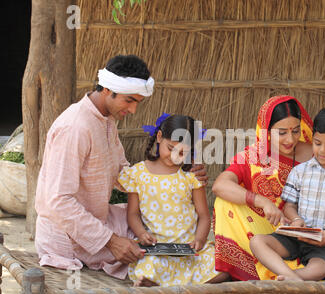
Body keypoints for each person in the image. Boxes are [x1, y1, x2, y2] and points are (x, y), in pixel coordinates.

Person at [34, 55, 208, 279]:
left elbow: (123, 174)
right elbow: (59, 201)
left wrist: (176, 173)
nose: (133, 110)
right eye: (129, 100)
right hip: (66, 236)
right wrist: (112, 242)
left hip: (99, 218)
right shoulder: (75, 127)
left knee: (157, 223)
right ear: (107, 89)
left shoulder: (106, 120)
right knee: (148, 247)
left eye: (137, 102)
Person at [212, 96, 325, 281]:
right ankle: (285, 275)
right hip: (277, 231)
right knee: (225, 202)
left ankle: (288, 276)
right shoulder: (253, 156)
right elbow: (220, 185)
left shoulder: (317, 153)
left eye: (296, 131)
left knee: (321, 261)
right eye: (282, 133)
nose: (290, 139)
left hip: (318, 233)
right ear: (267, 131)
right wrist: (262, 201)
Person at [250, 107, 325, 281]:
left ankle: (292, 278)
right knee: (257, 242)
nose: (322, 150)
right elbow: (289, 206)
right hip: (297, 237)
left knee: (320, 267)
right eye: (317, 143)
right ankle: (294, 278)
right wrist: (297, 220)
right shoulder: (299, 172)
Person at [118, 114, 228, 286]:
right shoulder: (138, 174)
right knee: (149, 266)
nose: (175, 156)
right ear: (160, 138)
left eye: (183, 152)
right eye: (170, 148)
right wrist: (141, 234)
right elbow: (133, 213)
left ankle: (175, 288)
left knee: (222, 265)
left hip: (188, 249)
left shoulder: (191, 175)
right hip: (158, 248)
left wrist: (199, 239)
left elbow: (204, 215)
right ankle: (167, 285)